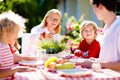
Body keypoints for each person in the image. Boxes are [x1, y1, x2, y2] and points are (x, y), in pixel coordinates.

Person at [81, 0, 120, 71]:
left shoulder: (118, 27)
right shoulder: (107, 27)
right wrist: (97, 60)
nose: (94, 11)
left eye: (94, 7)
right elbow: (111, 59)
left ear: (100, 7)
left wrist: (95, 64)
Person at [0, 11, 34, 79]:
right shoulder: (0, 48)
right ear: (6, 30)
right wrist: (17, 69)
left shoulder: (6, 46)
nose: (17, 36)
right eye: (16, 33)